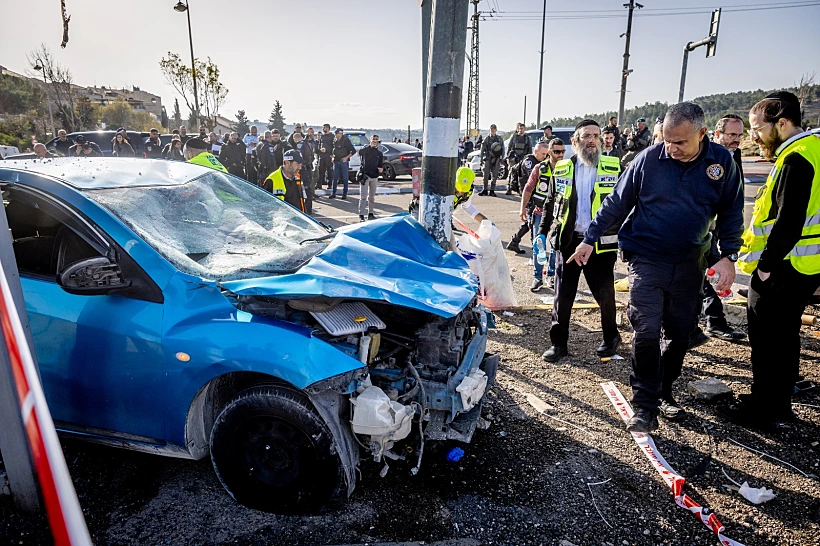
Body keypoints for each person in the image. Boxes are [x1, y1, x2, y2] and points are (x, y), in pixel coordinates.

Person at [571, 103, 744, 432]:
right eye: (667, 140)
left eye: (680, 142)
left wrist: (728, 255)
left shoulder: (720, 163)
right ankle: (644, 404)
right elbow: (616, 203)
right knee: (646, 330)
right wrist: (589, 239)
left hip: (692, 261)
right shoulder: (649, 159)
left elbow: (732, 211)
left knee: (680, 335)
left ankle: (663, 390)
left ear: (702, 135)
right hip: (647, 257)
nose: (672, 148)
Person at [720, 92, 820, 429]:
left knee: (766, 341)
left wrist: (764, 268)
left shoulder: (795, 158)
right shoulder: (814, 149)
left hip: (784, 267)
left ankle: (763, 411)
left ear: (781, 122)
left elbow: (788, 221)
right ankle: (778, 404)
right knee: (786, 337)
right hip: (806, 266)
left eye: (756, 128)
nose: (753, 136)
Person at [537, 120, 622, 363]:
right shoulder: (563, 168)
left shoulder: (613, 167)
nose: (592, 140)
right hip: (569, 241)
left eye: (596, 135)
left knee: (604, 294)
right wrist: (542, 232)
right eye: (586, 136)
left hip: (601, 244)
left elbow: (627, 204)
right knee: (562, 296)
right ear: (575, 142)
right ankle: (559, 344)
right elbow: (551, 202)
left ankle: (610, 337)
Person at [693, 114, 747, 343]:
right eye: (731, 135)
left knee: (706, 276)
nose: (736, 140)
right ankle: (708, 323)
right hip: (702, 229)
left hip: (717, 228)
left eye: (740, 135)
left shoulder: (734, 156)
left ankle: (706, 322)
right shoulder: (708, 158)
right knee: (704, 274)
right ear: (717, 134)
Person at [509, 141, 552, 291]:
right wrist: (524, 207)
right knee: (538, 242)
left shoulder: (551, 165)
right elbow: (529, 186)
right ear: (536, 151)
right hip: (534, 205)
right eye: (543, 154)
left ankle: (550, 275)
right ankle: (538, 276)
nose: (545, 156)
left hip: (548, 210)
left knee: (552, 244)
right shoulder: (532, 163)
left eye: (547, 154)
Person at [264, 148, 308, 212]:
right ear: (287, 162)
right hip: (281, 220)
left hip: (298, 220)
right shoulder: (272, 180)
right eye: (297, 165)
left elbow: (302, 202)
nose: (300, 168)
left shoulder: (298, 178)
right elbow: (264, 205)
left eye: (301, 165)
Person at [357, 134, 384, 221]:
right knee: (363, 197)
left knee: (371, 197)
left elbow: (381, 165)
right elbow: (359, 153)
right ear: (370, 140)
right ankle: (361, 214)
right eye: (373, 139)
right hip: (365, 175)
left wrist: (380, 169)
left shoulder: (379, 153)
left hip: (374, 176)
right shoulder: (366, 150)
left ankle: (371, 213)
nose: (375, 141)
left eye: (376, 140)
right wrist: (369, 146)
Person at [290, 132, 315, 213]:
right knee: (308, 188)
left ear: (295, 138)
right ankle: (309, 208)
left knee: (304, 188)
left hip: (303, 169)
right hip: (308, 168)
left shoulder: (300, 145)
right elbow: (312, 156)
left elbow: (299, 157)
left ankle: (306, 208)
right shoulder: (309, 144)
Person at [507, 122, 533, 195]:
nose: (520, 130)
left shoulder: (527, 138)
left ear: (524, 129)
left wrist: (529, 158)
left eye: (522, 128)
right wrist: (509, 157)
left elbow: (529, 149)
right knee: (511, 173)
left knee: (521, 174)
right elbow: (509, 147)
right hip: (514, 158)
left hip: (523, 157)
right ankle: (509, 188)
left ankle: (520, 190)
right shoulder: (514, 137)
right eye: (519, 128)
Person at [479, 124, 504, 196]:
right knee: (485, 175)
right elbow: (482, 150)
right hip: (487, 159)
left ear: (496, 130)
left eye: (494, 129)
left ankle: (492, 190)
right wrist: (481, 160)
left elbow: (502, 149)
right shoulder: (486, 139)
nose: (492, 130)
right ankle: (485, 189)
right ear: (489, 130)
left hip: (496, 160)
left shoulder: (499, 139)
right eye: (491, 129)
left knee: (495, 175)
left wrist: (501, 159)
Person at [330, 128, 355, 199]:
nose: (336, 135)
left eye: (336, 134)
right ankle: (333, 192)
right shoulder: (335, 140)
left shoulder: (346, 141)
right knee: (335, 178)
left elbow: (353, 151)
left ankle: (344, 193)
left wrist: (346, 158)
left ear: (340, 134)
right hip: (336, 161)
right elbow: (333, 150)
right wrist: (332, 157)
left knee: (345, 178)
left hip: (343, 161)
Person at [317, 124, 335, 190]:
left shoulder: (332, 136)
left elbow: (333, 146)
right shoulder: (322, 136)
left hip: (328, 156)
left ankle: (329, 184)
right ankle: (319, 184)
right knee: (320, 170)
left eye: (324, 128)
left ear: (327, 128)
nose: (323, 129)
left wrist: (327, 149)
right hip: (322, 156)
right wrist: (319, 150)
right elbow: (319, 144)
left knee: (329, 171)